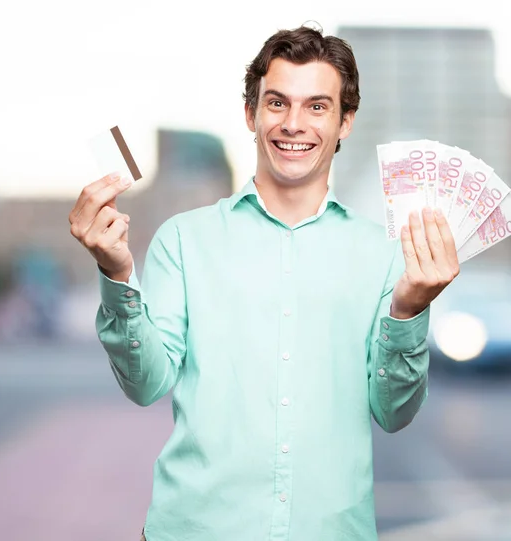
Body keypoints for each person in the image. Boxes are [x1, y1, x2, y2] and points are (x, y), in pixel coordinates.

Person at [69, 23, 459, 541]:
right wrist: (116, 274)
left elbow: (394, 413)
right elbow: (146, 386)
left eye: (317, 106)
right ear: (251, 114)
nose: (294, 123)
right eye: (278, 103)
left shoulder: (386, 256)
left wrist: (407, 311)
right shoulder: (183, 240)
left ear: (345, 122)